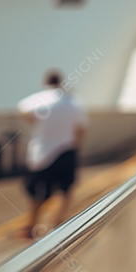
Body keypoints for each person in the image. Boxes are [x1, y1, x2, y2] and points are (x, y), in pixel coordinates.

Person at [16, 69, 87, 239]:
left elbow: (22, 108)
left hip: (41, 153)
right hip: (66, 150)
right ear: (61, 82)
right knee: (66, 189)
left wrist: (35, 122)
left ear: (46, 82)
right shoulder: (73, 102)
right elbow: (82, 127)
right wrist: (76, 147)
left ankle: (32, 226)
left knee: (36, 192)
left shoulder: (41, 99)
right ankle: (58, 223)